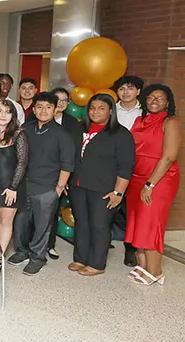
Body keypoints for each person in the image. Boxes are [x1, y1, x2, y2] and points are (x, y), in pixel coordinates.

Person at [9, 92, 75, 276]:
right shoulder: (26, 129)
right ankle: (22, 251)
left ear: (55, 109)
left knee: (42, 225)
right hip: (24, 185)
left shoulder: (62, 135)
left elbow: (67, 165)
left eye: (48, 107)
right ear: (34, 108)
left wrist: (59, 189)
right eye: (39, 106)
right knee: (21, 222)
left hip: (47, 188)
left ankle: (37, 257)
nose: (43, 110)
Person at [68, 94, 135, 276]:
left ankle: (97, 264)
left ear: (111, 111)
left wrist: (118, 192)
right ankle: (80, 258)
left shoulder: (121, 134)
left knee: (99, 225)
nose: (95, 112)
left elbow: (126, 167)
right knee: (81, 223)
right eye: (92, 108)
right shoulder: (79, 129)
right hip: (78, 185)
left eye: (101, 108)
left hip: (104, 189)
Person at [125, 84, 180, 285]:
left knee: (150, 223)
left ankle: (156, 271)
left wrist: (150, 185)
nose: (154, 101)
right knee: (137, 222)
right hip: (136, 178)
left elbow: (168, 157)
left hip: (159, 180)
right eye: (151, 97)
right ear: (145, 100)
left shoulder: (170, 122)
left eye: (160, 98)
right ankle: (143, 265)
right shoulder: (139, 120)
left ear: (168, 102)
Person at [0, 99, 28, 273]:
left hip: (10, 186)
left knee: (5, 221)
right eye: (0, 111)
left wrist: (13, 187)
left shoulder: (19, 133)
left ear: (13, 116)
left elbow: (22, 163)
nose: (3, 115)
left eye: (7, 112)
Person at [111, 75, 145, 267]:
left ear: (138, 91)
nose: (126, 92)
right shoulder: (111, 111)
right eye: (122, 88)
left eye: (130, 88)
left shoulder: (146, 113)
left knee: (133, 210)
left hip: (139, 168)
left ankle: (130, 249)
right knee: (112, 207)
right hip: (111, 166)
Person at [46, 87, 83, 260]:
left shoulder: (73, 123)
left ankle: (50, 245)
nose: (60, 103)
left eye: (64, 100)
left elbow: (75, 151)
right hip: (43, 172)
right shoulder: (41, 117)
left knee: (54, 210)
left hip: (63, 174)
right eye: (57, 99)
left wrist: (65, 177)